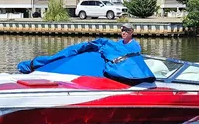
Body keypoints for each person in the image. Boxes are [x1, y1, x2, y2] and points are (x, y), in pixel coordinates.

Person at [17, 23, 154, 84]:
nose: (124, 32)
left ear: (131, 32)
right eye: (122, 30)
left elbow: (132, 62)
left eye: (127, 31)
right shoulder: (117, 44)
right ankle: (34, 65)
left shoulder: (134, 47)